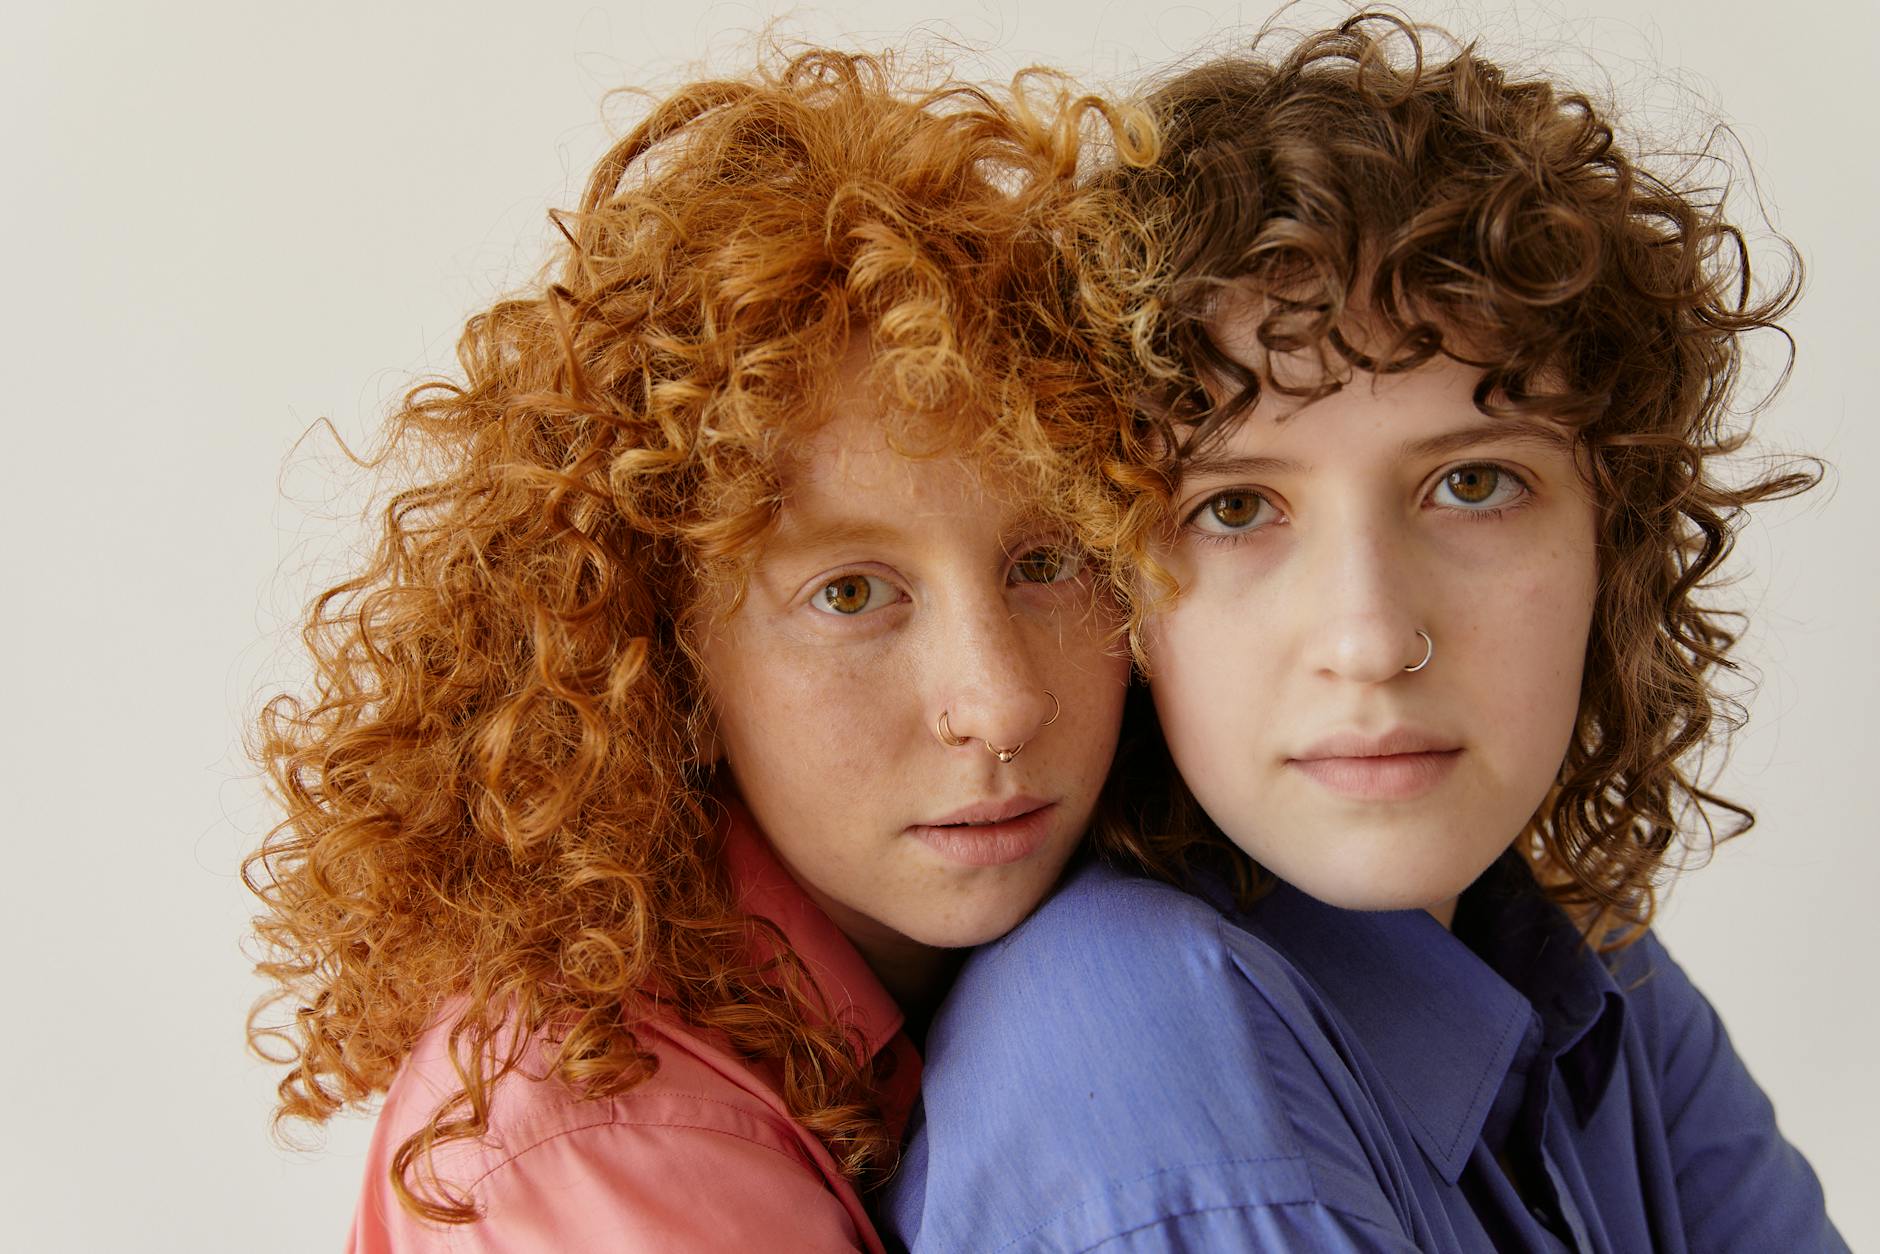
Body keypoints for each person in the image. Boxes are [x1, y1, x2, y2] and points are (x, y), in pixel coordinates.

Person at [884, 14, 1848, 1253]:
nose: (1372, 640)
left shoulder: (1589, 968)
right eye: (1235, 509)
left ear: (1611, 542)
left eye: (1472, 485)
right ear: (1113, 582)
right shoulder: (1144, 1055)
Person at [242, 48, 1156, 1251]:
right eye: (849, 594)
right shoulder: (604, 1133)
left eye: (1048, 564)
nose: (999, 703)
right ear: (659, 657)